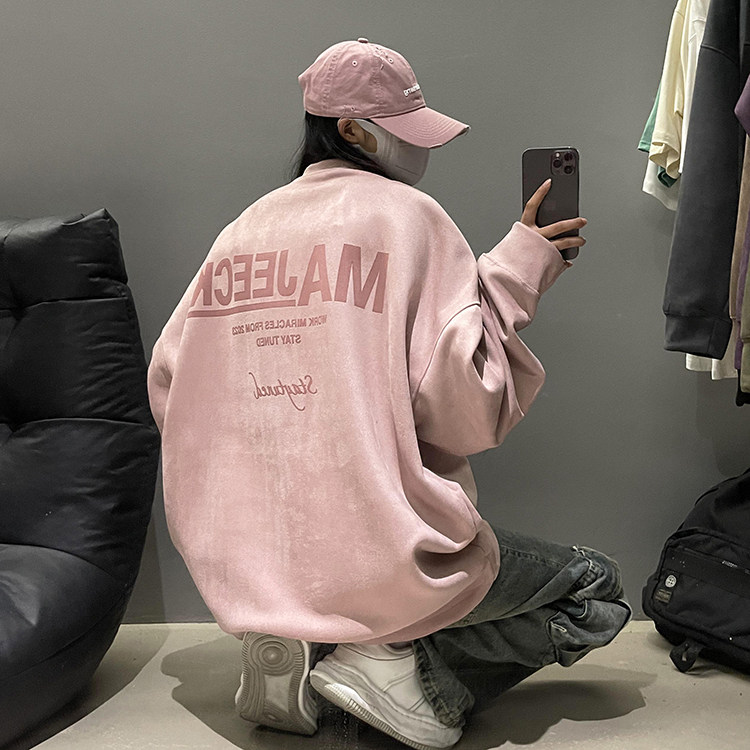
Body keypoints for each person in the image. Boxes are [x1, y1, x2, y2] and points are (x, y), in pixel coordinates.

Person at [147, 38, 631, 750]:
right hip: (377, 556)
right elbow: (464, 404)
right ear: (352, 129)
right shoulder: (408, 217)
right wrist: (519, 276)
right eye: (408, 132)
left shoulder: (242, 231)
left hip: (246, 562)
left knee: (323, 568)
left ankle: (301, 641)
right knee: (595, 589)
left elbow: (170, 381)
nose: (422, 150)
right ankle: (391, 663)